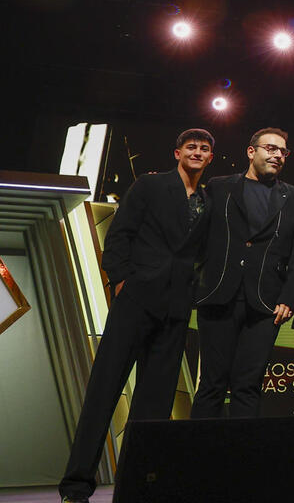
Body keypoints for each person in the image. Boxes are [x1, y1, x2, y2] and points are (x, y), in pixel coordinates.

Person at [59, 129, 215, 503]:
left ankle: (140, 487)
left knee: (156, 405)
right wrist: (119, 282)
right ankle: (76, 486)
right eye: (191, 146)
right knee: (104, 392)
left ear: (210, 158)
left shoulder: (208, 201)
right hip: (136, 301)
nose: (197, 151)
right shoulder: (150, 186)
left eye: (205, 148)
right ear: (177, 152)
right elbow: (119, 235)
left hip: (176, 309)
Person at [192, 127, 294, 419]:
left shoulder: (293, 197)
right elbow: (197, 238)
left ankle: (241, 462)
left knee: (248, 386)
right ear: (251, 151)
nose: (278, 155)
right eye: (271, 148)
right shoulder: (219, 187)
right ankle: (193, 462)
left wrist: (288, 298)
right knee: (211, 384)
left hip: (266, 304)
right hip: (218, 295)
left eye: (283, 151)